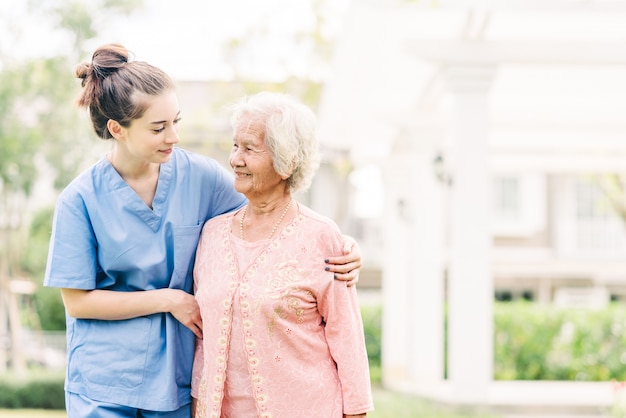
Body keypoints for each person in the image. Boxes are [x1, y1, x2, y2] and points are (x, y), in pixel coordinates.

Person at [43, 44, 362, 417]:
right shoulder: (79, 200)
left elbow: (271, 212)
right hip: (103, 384)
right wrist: (168, 299)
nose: (174, 137)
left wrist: (340, 244)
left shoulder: (202, 178)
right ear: (118, 129)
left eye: (176, 121)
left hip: (174, 382)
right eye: (159, 128)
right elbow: (78, 301)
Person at [191, 91, 374, 418]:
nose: (235, 159)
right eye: (235, 146)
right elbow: (205, 340)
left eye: (249, 148)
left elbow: (348, 343)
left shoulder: (321, 236)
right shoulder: (212, 234)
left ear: (286, 161)